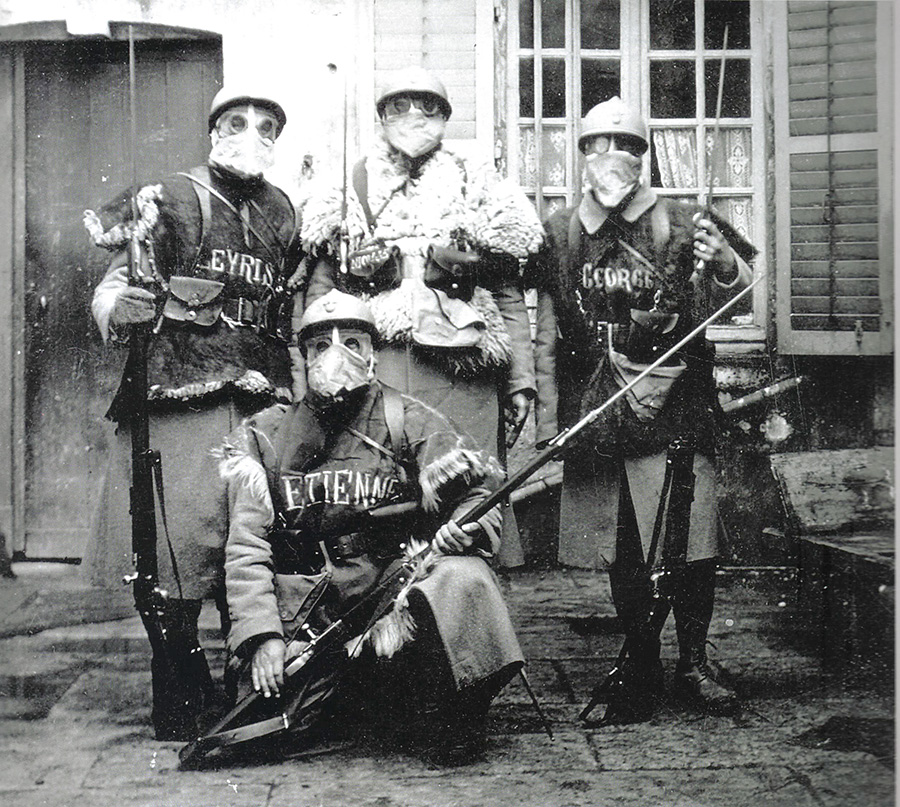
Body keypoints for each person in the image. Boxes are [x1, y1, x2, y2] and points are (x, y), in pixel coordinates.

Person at [221, 289, 524, 764]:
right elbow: (247, 546)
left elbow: (479, 494)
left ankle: (455, 712)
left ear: (374, 354)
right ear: (303, 359)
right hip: (310, 611)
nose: (336, 355)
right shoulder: (266, 433)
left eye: (353, 342)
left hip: (390, 599)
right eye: (320, 345)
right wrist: (263, 637)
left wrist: (466, 527)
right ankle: (351, 702)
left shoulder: (408, 419)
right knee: (265, 724)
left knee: (463, 576)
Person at [83, 86, 302, 740]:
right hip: (181, 387)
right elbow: (119, 278)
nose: (251, 132)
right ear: (213, 130)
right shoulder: (174, 196)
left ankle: (253, 678)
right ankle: (179, 681)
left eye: (267, 124)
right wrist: (115, 308)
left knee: (254, 535)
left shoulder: (281, 210)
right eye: (236, 121)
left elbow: (290, 303)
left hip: (260, 389)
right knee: (176, 545)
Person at [526, 96, 755, 718]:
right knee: (624, 542)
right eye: (596, 145)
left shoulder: (684, 223)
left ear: (643, 155)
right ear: (581, 156)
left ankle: (696, 661)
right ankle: (641, 660)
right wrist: (551, 420)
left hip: (677, 405)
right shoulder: (558, 231)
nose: (611, 158)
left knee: (690, 539)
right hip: (597, 405)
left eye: (625, 145)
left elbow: (730, 300)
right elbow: (545, 333)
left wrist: (726, 265)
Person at [299, 66, 544, 567]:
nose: (414, 116)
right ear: (382, 116)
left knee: (468, 508)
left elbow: (509, 294)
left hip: (465, 373)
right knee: (385, 505)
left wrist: (521, 381)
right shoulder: (348, 185)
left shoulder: (478, 182)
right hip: (379, 370)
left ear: (446, 117)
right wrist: (316, 376)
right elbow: (319, 295)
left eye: (428, 106)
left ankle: (465, 617)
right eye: (399, 106)